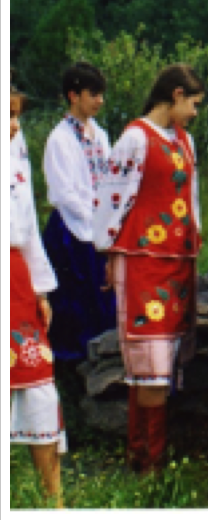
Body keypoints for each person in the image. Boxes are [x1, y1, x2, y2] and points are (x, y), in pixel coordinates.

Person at [92, 63, 206, 474]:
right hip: (142, 261)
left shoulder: (185, 141)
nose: (195, 112)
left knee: (161, 365)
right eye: (193, 103)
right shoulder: (135, 139)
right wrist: (107, 251)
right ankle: (149, 462)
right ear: (175, 95)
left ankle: (142, 458)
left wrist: (195, 234)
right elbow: (112, 196)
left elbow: (190, 198)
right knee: (150, 363)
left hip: (176, 263)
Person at [10, 83, 67, 506]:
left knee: (37, 377)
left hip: (15, 276)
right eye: (6, 116)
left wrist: (40, 288)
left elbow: (27, 220)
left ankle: (54, 497)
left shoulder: (15, 150)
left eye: (16, 115)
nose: (14, 125)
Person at [42, 61, 116, 363]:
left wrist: (108, 220)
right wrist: (92, 219)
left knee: (101, 293)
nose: (99, 101)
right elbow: (64, 192)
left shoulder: (100, 135)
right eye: (93, 94)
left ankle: (101, 356)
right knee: (74, 298)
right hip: (72, 229)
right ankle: (71, 361)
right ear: (74, 95)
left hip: (99, 227)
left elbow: (110, 179)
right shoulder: (59, 139)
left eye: (101, 95)